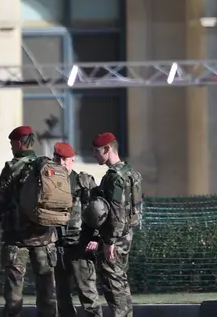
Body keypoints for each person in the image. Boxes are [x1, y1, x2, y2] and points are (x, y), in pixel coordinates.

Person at [0, 125, 59, 317]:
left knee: (14, 289)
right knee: (47, 289)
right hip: (45, 237)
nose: (11, 147)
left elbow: (0, 202)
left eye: (12, 143)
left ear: (19, 143)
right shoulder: (47, 165)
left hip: (18, 238)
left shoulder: (12, 168)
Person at [89, 133, 142, 317]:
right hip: (126, 234)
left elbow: (117, 211)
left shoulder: (114, 177)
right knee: (120, 279)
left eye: (97, 151)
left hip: (115, 237)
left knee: (113, 283)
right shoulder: (131, 172)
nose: (94, 155)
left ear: (107, 149)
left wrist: (109, 241)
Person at [52, 142, 100, 317]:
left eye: (67, 160)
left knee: (88, 295)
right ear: (53, 159)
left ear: (73, 160)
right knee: (61, 298)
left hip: (80, 245)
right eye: (59, 159)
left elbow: (98, 212)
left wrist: (95, 237)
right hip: (55, 247)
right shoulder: (47, 184)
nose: (63, 163)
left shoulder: (84, 182)